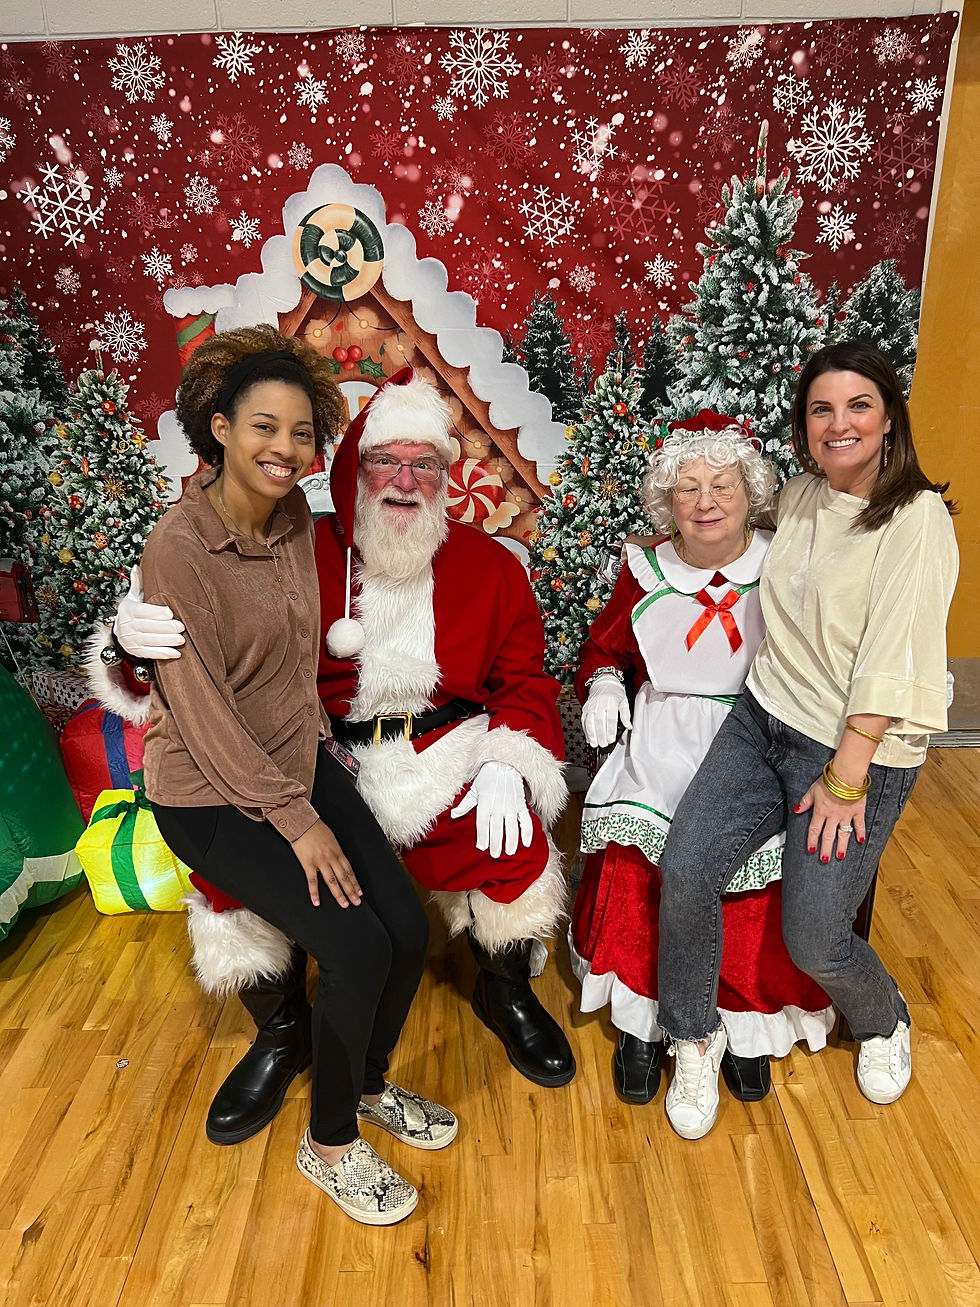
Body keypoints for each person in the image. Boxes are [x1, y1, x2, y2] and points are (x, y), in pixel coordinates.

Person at [94, 363, 573, 1151]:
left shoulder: (489, 568)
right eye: (388, 461)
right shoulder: (299, 544)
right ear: (353, 466)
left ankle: (505, 987)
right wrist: (126, 645)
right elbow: (202, 664)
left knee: (511, 838)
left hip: (442, 754)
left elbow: (525, 679)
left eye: (426, 464)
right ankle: (284, 1031)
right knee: (230, 879)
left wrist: (506, 760)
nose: (406, 480)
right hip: (313, 760)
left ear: (448, 478)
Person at [133, 325, 456, 1224]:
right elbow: (200, 714)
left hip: (294, 761)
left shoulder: (296, 526)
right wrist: (298, 818)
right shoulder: (179, 550)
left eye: (303, 432)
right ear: (222, 428)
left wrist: (321, 764)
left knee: (399, 924)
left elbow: (286, 670)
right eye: (265, 427)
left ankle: (364, 1085)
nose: (286, 448)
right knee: (351, 947)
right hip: (206, 793)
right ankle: (330, 1145)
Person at [655, 341, 958, 1140]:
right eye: (822, 408)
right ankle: (693, 1034)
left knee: (817, 935)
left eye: (859, 405)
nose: (840, 423)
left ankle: (884, 1018)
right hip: (761, 720)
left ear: (889, 417)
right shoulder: (798, 496)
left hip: (852, 754)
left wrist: (847, 776)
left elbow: (894, 658)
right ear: (804, 426)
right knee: (686, 866)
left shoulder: (916, 519)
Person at [572, 411, 833, 1107]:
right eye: (687, 487)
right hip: (664, 733)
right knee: (643, 869)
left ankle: (747, 1022)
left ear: (750, 492)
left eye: (722, 484)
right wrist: (603, 680)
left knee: (749, 883)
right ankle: (643, 1019)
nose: (706, 500)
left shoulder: (782, 562)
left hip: (757, 735)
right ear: (667, 501)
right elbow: (607, 646)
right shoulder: (646, 568)